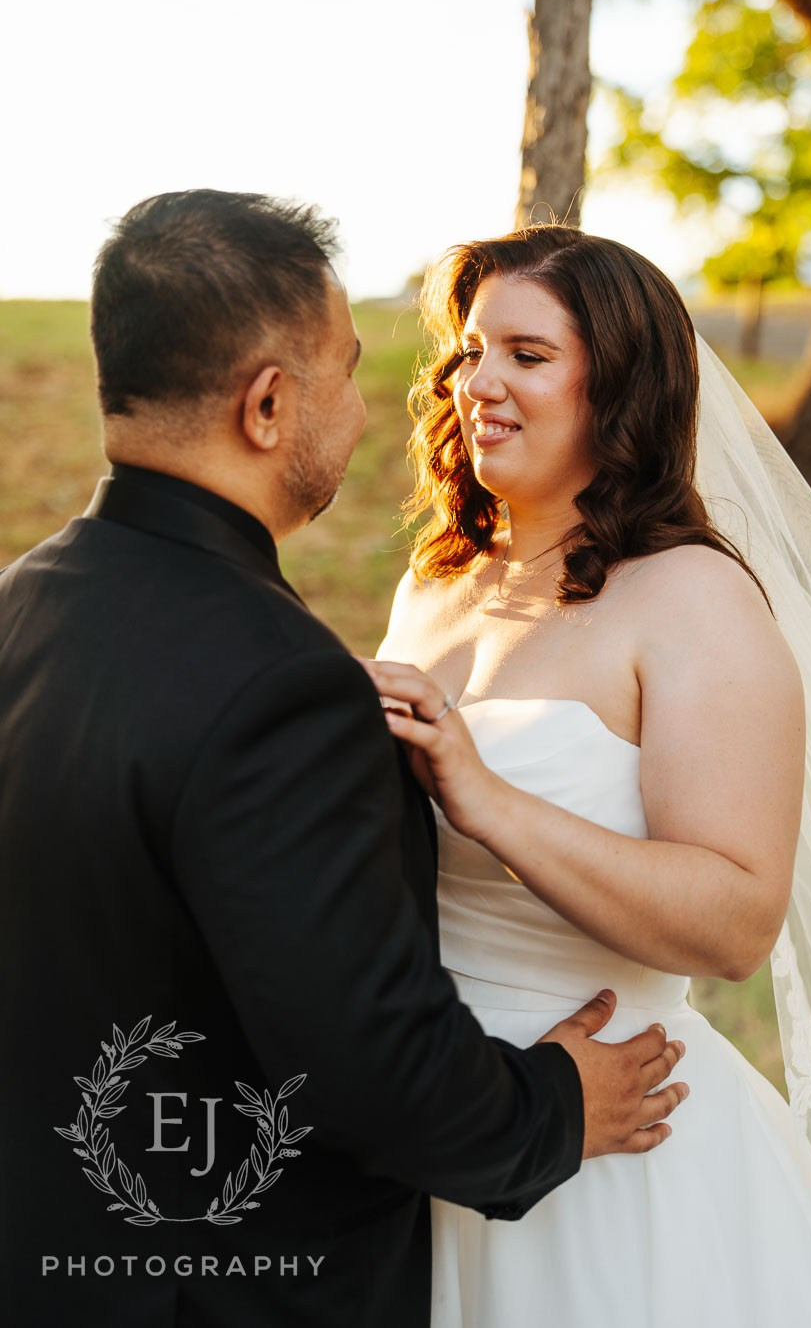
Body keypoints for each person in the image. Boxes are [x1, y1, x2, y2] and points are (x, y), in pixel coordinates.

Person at [0, 194, 689, 1328]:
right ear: (269, 404)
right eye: (349, 373)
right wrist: (557, 1104)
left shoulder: (27, 604)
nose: (378, 412)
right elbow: (375, 1078)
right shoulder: (283, 684)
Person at [370, 224, 811, 1327]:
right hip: (438, 1116)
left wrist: (491, 799)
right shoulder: (439, 581)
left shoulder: (693, 600)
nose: (480, 384)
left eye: (526, 354)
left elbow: (737, 920)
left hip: (612, 1142)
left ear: (617, 386)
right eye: (471, 351)